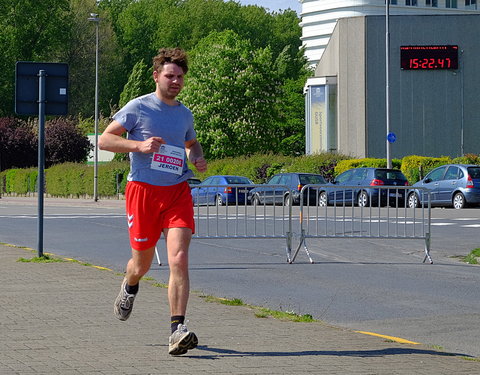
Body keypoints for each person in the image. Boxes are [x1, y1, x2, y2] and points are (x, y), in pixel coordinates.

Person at [98, 47, 207, 356]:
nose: (175, 82)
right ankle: (129, 286)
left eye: (180, 77)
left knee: (179, 259)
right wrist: (139, 145)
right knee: (141, 264)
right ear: (157, 75)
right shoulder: (139, 107)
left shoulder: (184, 113)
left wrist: (196, 157)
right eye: (170, 76)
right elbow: (105, 139)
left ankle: (177, 330)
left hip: (177, 192)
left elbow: (191, 142)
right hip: (143, 193)